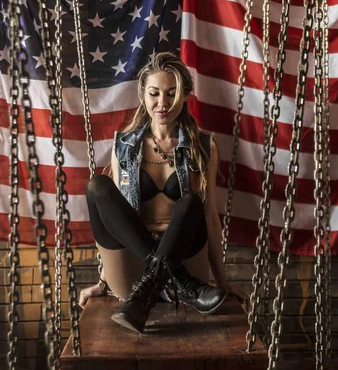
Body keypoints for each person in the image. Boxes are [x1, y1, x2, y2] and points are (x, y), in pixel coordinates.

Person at [79, 51, 246, 333]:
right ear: (143, 94)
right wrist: (103, 281)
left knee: (192, 202)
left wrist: (222, 280)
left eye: (172, 94)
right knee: (98, 187)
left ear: (184, 96)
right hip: (133, 258)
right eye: (155, 93)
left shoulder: (204, 146)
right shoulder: (125, 145)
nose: (162, 103)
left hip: (184, 252)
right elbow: (115, 219)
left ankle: (156, 286)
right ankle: (177, 283)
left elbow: (210, 216)